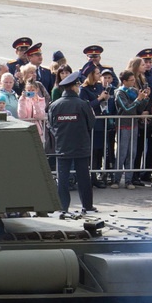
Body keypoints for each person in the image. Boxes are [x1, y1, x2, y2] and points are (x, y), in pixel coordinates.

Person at [48, 71, 96, 215]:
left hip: (62, 146)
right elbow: (91, 123)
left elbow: (51, 125)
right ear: (74, 87)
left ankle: (63, 207)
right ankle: (87, 206)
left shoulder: (54, 105)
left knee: (62, 179)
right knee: (83, 178)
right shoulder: (82, 104)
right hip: (81, 146)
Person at [110, 69, 150, 190]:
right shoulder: (119, 93)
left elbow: (138, 109)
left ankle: (129, 180)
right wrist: (138, 99)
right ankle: (116, 179)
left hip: (134, 125)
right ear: (124, 81)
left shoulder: (134, 91)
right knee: (122, 153)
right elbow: (126, 108)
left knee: (132, 153)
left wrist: (145, 98)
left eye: (134, 80)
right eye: (131, 80)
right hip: (123, 125)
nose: (133, 82)